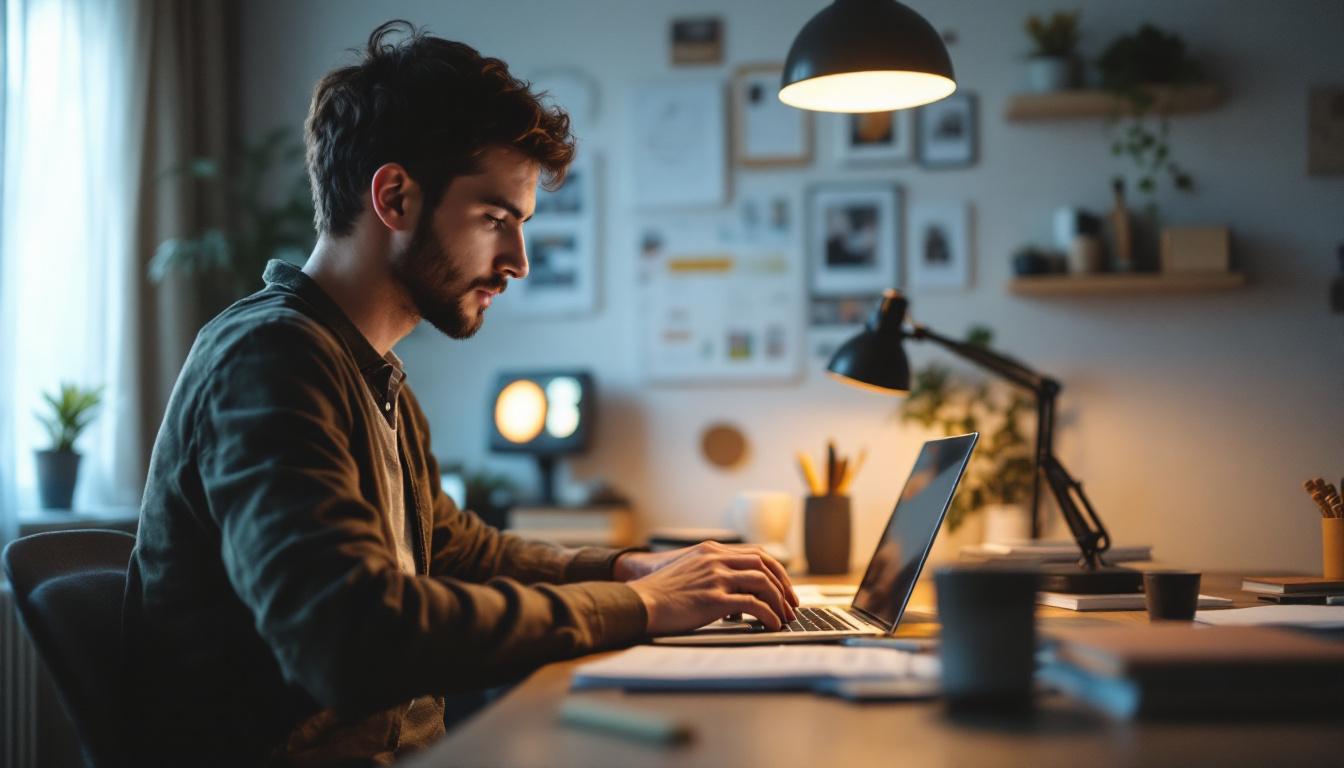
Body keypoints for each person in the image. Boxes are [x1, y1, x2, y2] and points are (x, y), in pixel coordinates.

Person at [122, 20, 797, 767]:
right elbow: (351, 640)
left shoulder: (371, 372)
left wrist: (622, 570)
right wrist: (640, 608)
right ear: (396, 196)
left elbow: (452, 549)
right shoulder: (270, 358)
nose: (518, 261)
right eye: (495, 219)